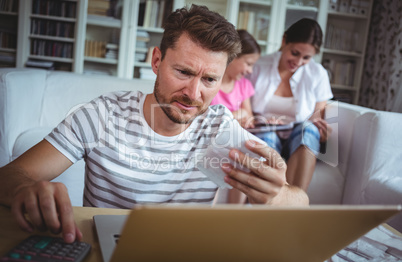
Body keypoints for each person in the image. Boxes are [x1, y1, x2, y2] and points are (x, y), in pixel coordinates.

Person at [0, 5, 308, 244]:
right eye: (184, 72)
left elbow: (301, 203)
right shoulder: (101, 115)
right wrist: (25, 190)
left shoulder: (219, 129)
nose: (193, 93)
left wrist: (275, 195)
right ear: (157, 61)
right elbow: (11, 175)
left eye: (210, 79)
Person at [248, 18, 333, 192]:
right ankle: (265, 205)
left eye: (306, 57)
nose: (298, 61)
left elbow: (317, 117)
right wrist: (258, 119)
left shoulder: (318, 74)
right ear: (284, 41)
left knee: (309, 130)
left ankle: (295, 203)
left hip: (296, 134)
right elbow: (244, 106)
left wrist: (323, 132)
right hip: (264, 129)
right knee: (267, 136)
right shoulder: (259, 66)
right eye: (295, 53)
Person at [210, 29, 260, 129]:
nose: (250, 71)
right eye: (249, 64)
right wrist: (234, 115)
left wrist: (245, 117)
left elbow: (249, 117)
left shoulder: (244, 85)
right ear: (232, 56)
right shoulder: (210, 83)